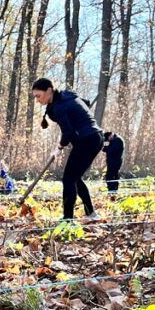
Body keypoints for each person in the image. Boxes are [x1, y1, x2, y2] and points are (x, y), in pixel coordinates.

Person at [31, 77, 103, 221]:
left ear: (49, 91)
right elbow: (85, 104)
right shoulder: (65, 97)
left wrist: (59, 147)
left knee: (68, 179)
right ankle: (91, 213)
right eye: (35, 97)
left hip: (87, 140)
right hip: (93, 138)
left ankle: (68, 219)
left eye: (39, 96)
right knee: (75, 178)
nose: (37, 100)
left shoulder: (60, 106)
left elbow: (68, 132)